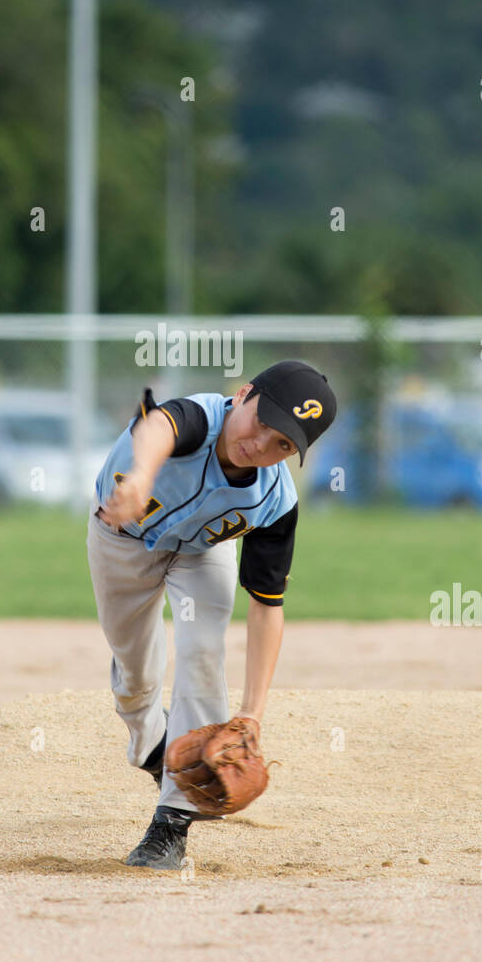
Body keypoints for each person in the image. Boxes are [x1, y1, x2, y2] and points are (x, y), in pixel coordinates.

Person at [86, 359, 336, 870]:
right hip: (123, 540)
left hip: (201, 552)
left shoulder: (275, 501)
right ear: (243, 395)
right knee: (134, 675)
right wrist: (139, 478)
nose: (261, 444)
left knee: (202, 649)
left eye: (283, 444)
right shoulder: (200, 419)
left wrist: (252, 714)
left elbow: (267, 608)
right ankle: (151, 747)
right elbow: (158, 425)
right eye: (262, 421)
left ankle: (171, 826)